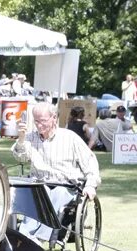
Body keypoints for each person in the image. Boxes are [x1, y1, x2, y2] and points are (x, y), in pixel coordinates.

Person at [12, 103, 101, 243]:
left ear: (54, 118)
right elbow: (20, 157)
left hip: (65, 185)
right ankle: (25, 235)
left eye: (43, 121)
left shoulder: (70, 138)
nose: (39, 125)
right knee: (36, 194)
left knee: (58, 192)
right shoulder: (30, 138)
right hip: (40, 184)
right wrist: (21, 138)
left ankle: (40, 237)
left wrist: (90, 184)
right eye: (36, 121)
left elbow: (90, 161)